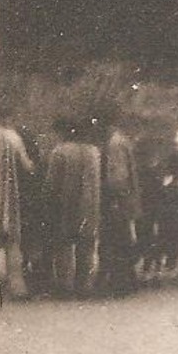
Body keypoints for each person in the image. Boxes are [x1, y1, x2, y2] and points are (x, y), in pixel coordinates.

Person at [46, 117, 104, 296]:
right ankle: (84, 285)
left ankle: (65, 284)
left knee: (64, 245)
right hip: (90, 205)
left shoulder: (60, 152)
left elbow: (52, 182)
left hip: (66, 203)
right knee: (86, 245)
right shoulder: (94, 151)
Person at [98, 114, 144, 295]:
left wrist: (115, 198)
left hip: (118, 200)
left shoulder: (115, 144)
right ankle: (127, 279)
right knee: (123, 239)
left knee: (116, 240)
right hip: (125, 199)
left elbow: (118, 176)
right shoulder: (121, 141)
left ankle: (120, 282)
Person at [0, 114, 34, 299]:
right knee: (12, 243)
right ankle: (17, 287)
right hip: (8, 195)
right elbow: (27, 166)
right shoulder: (12, 136)